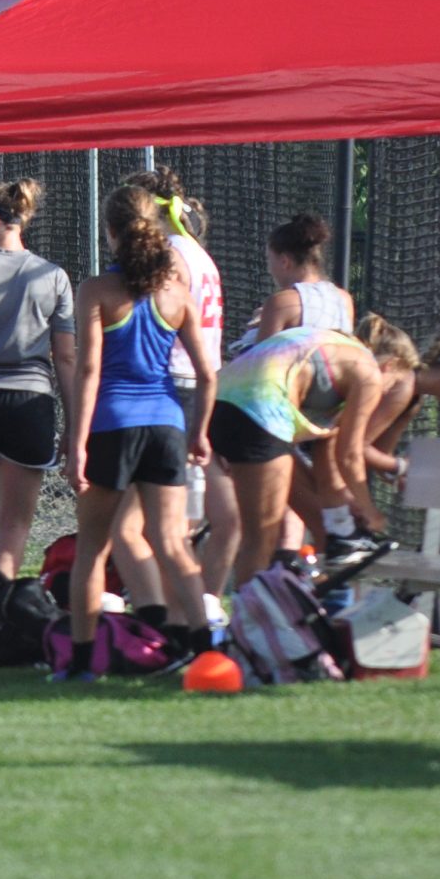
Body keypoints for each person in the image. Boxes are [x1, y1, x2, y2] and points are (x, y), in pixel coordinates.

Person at [63, 186, 217, 679]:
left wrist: (76, 445)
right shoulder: (176, 291)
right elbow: (207, 373)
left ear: (110, 232)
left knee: (92, 549)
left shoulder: (96, 290)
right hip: (167, 423)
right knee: (173, 542)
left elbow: (89, 370)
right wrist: (199, 432)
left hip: (113, 423)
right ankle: (207, 649)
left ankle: (82, 663)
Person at [124, 167, 241, 598]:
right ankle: (200, 605)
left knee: (153, 523)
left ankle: (171, 608)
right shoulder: (198, 252)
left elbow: (152, 322)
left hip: (171, 384)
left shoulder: (169, 254)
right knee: (211, 515)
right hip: (203, 384)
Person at [294, 315, 440, 564]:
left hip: (320, 460)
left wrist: (397, 473)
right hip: (307, 453)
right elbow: (354, 447)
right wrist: (400, 469)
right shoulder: (404, 386)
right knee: (331, 540)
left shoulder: (413, 400)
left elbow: (377, 453)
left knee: (340, 546)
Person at [0, 179, 76, 575]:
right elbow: (66, 357)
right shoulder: (52, 275)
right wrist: (74, 424)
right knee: (14, 526)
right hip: (29, 403)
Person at [212, 322, 389, 587]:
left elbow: (327, 456)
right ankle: (249, 611)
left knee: (319, 522)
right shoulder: (369, 372)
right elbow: (349, 455)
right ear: (391, 366)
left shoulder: (330, 348)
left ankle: (317, 605)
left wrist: (345, 503)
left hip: (220, 401)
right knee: (261, 538)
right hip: (259, 411)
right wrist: (370, 511)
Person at [235, 211, 352, 348]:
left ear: (284, 261)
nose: (269, 268)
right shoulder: (344, 299)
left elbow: (260, 358)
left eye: (269, 259)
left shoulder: (280, 302)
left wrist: (254, 331)